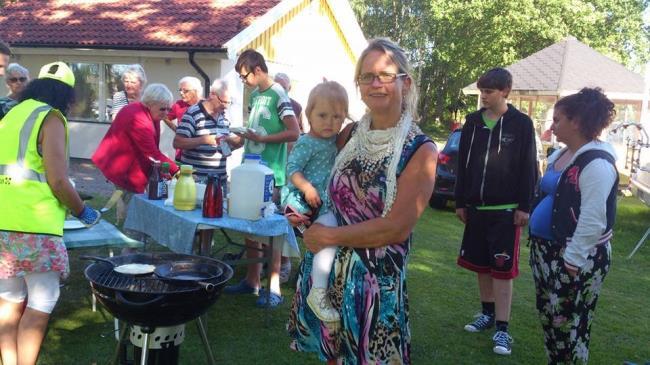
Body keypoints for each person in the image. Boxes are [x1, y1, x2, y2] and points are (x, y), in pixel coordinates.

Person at [288, 38, 437, 364]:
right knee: (331, 358)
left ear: (405, 82)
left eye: (385, 75)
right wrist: (299, 208)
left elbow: (396, 228)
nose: (375, 83)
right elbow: (312, 172)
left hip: (372, 288)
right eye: (366, 76)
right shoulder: (348, 134)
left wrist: (328, 236)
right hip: (326, 282)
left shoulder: (420, 150)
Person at [0, 61, 101, 365]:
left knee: (9, 302)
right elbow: (57, 180)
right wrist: (83, 211)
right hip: (36, 224)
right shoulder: (51, 117)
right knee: (42, 301)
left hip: (3, 221)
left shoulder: (11, 114)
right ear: (65, 94)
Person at [529, 87, 618, 364]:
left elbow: (593, 218)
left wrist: (573, 259)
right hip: (547, 252)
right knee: (551, 319)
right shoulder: (563, 154)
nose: (552, 126)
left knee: (570, 326)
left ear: (576, 122)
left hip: (575, 258)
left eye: (557, 120)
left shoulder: (597, 163)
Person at [455, 67, 536, 356]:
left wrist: (525, 206)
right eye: (482, 92)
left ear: (505, 92)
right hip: (476, 208)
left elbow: (529, 166)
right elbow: (462, 163)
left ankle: (503, 329)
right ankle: (486, 314)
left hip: (506, 210)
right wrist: (461, 202)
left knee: (502, 270)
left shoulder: (522, 124)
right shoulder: (472, 122)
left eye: (488, 92)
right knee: (481, 265)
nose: (483, 97)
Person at [223, 49, 300, 307]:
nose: (243, 81)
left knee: (271, 230)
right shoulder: (255, 96)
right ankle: (252, 281)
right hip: (249, 168)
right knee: (249, 225)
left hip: (271, 173)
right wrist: (233, 141)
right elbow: (254, 131)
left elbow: (294, 132)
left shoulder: (279, 94)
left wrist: (263, 140)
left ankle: (274, 289)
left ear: (257, 70)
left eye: (244, 76)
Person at [281, 81, 348, 325]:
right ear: (308, 114)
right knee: (327, 238)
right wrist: (307, 187)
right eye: (322, 115)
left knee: (326, 243)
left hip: (322, 202)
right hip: (303, 200)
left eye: (336, 117)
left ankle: (316, 280)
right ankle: (317, 292)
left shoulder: (334, 141)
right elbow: (292, 169)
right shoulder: (307, 142)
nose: (329, 122)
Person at [92, 83, 179, 225]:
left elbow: (152, 150)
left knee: (132, 207)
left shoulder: (149, 113)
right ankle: (130, 243)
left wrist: (164, 170)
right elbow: (152, 152)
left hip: (129, 166)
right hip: (122, 168)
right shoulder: (138, 117)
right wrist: (177, 171)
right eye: (162, 108)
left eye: (168, 109)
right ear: (150, 104)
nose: (166, 113)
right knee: (135, 212)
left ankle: (128, 233)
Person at [173, 78, 240, 181]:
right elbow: (177, 143)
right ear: (212, 95)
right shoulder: (193, 113)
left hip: (218, 181)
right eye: (223, 102)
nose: (225, 107)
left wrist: (237, 142)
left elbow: (225, 150)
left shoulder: (224, 116)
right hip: (195, 182)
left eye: (228, 103)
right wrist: (204, 140)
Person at [166, 76, 203, 162]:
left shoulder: (205, 105)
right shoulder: (179, 105)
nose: (181, 93)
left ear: (196, 91)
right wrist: (175, 128)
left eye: (185, 91)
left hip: (200, 154)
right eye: (180, 90)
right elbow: (165, 116)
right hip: (181, 152)